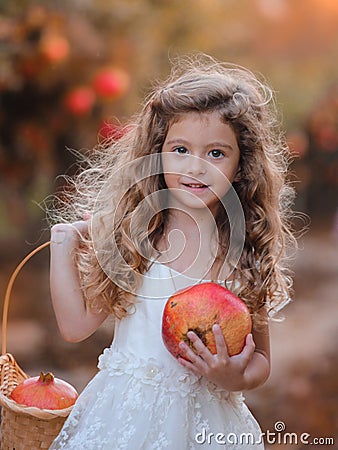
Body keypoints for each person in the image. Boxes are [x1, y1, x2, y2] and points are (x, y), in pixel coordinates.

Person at [48, 54, 295, 449]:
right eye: (180, 149)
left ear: (241, 164)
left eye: (216, 153)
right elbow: (75, 328)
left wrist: (236, 377)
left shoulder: (244, 251)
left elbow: (261, 359)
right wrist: (63, 244)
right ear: (157, 153)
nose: (196, 167)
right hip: (125, 420)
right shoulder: (137, 239)